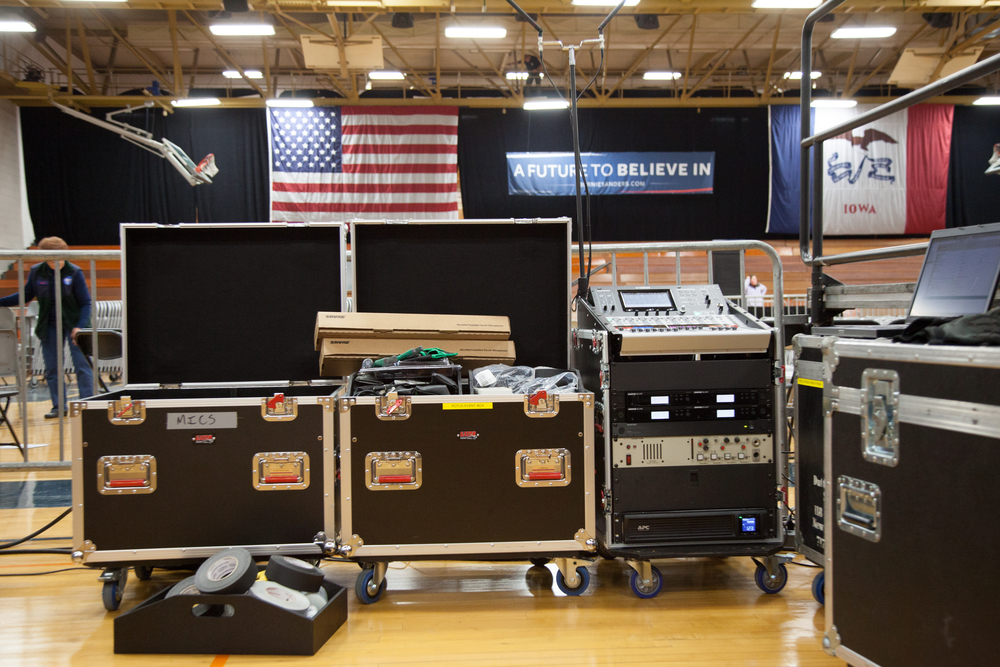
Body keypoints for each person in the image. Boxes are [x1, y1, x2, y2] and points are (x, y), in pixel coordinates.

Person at [0, 237, 94, 418]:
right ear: (44, 258)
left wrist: (80, 327)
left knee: (81, 365)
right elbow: (25, 295)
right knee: (52, 367)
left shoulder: (74, 272)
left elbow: (85, 302)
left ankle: (86, 405)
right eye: (52, 259)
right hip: (49, 325)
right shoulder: (37, 272)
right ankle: (59, 407)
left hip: (74, 324)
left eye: (59, 258)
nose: (56, 263)